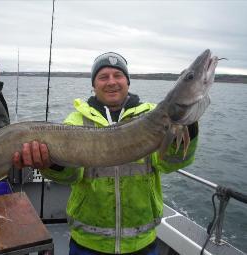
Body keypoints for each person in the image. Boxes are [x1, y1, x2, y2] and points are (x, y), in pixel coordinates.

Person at [13, 52, 199, 254]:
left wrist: (188, 125)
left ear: (128, 81)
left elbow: (170, 163)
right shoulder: (75, 122)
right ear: (94, 85)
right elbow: (71, 176)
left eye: (118, 75)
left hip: (142, 243)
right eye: (103, 77)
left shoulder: (153, 116)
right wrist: (51, 164)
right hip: (88, 243)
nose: (111, 82)